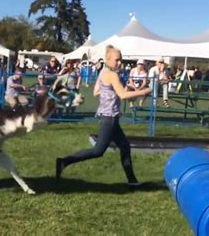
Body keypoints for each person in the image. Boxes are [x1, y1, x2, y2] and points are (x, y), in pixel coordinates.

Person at [56, 45, 151, 186]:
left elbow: (96, 91)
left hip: (108, 116)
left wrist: (113, 91)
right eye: (117, 60)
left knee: (125, 146)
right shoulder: (112, 75)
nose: (120, 63)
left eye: (121, 60)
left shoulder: (103, 72)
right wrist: (143, 92)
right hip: (109, 118)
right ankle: (64, 161)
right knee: (98, 151)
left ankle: (132, 181)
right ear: (108, 60)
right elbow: (123, 95)